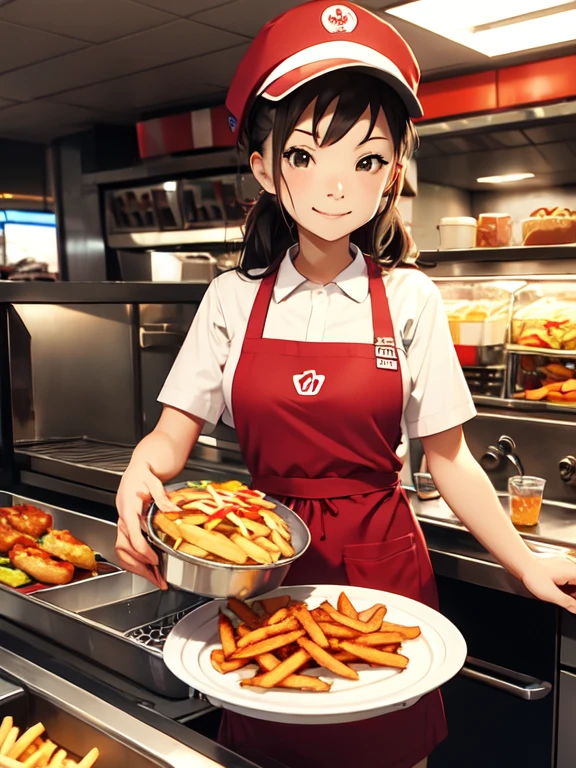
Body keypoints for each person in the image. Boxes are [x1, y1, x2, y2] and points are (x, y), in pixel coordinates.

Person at [115, 3, 576, 767]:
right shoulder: (232, 298)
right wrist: (141, 475)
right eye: (305, 157)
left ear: (394, 171)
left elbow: (451, 458)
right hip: (258, 569)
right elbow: (170, 436)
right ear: (265, 165)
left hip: (385, 567)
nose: (337, 187)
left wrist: (525, 564)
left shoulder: (411, 297)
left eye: (366, 160)